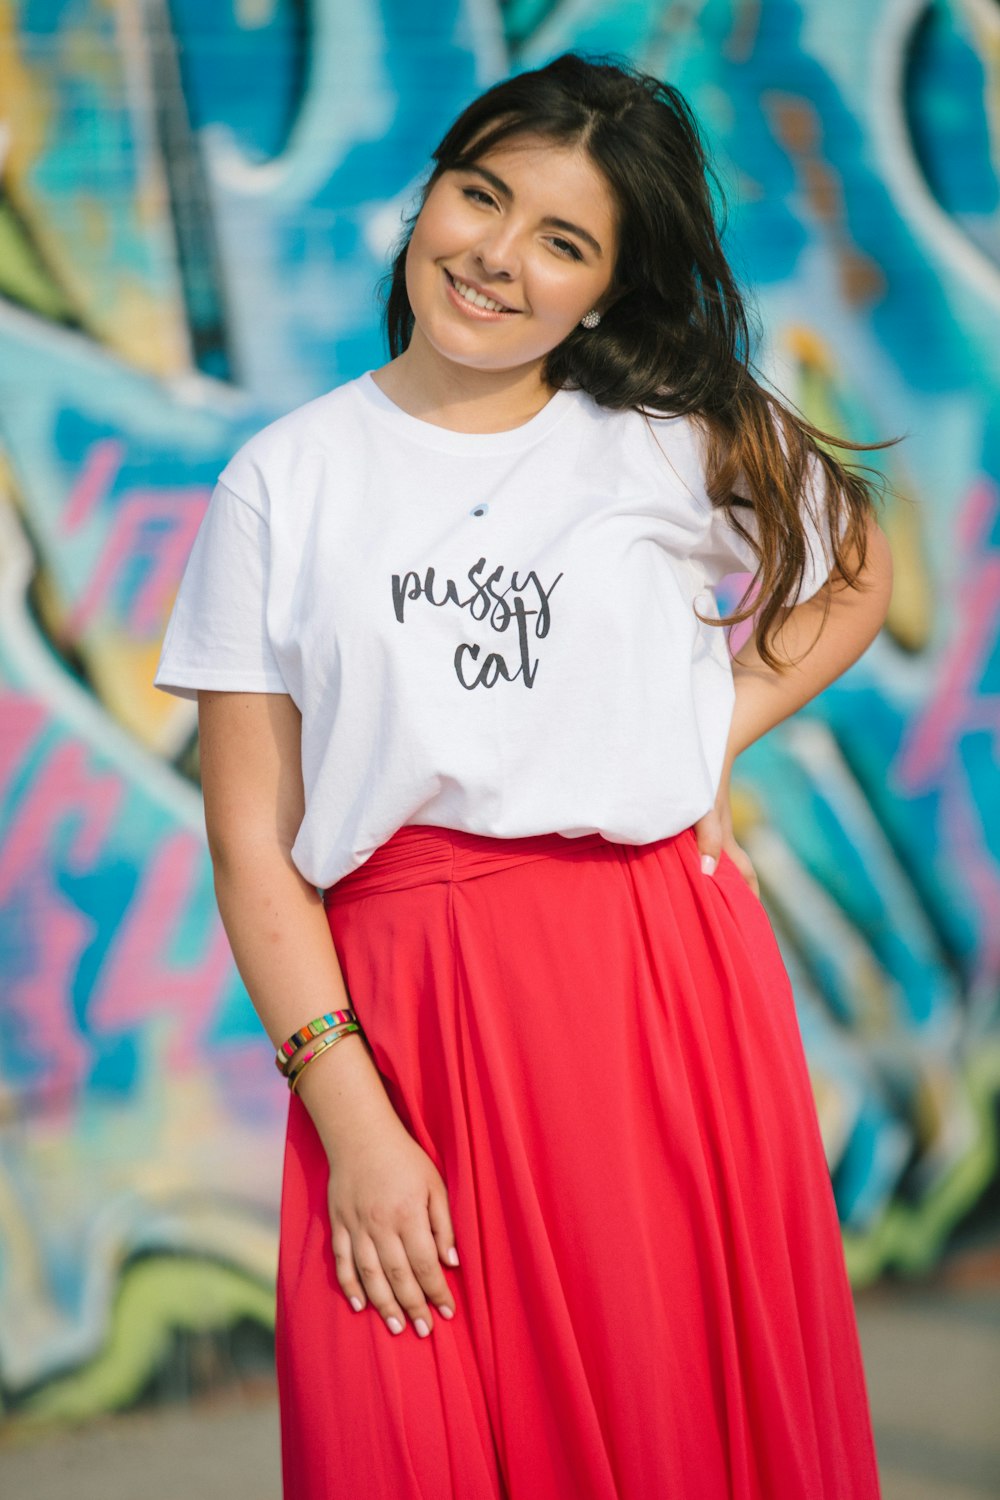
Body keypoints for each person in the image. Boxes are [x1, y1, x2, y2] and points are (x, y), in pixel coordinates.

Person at [154, 51, 891, 1499]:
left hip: (650, 991)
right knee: (400, 1435)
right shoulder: (282, 481)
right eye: (480, 197)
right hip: (399, 1019)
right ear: (427, 195)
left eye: (563, 241)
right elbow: (255, 845)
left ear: (606, 288)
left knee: (667, 1427)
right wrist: (352, 1120)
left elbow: (852, 572)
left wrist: (701, 732)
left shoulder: (662, 437)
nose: (497, 257)